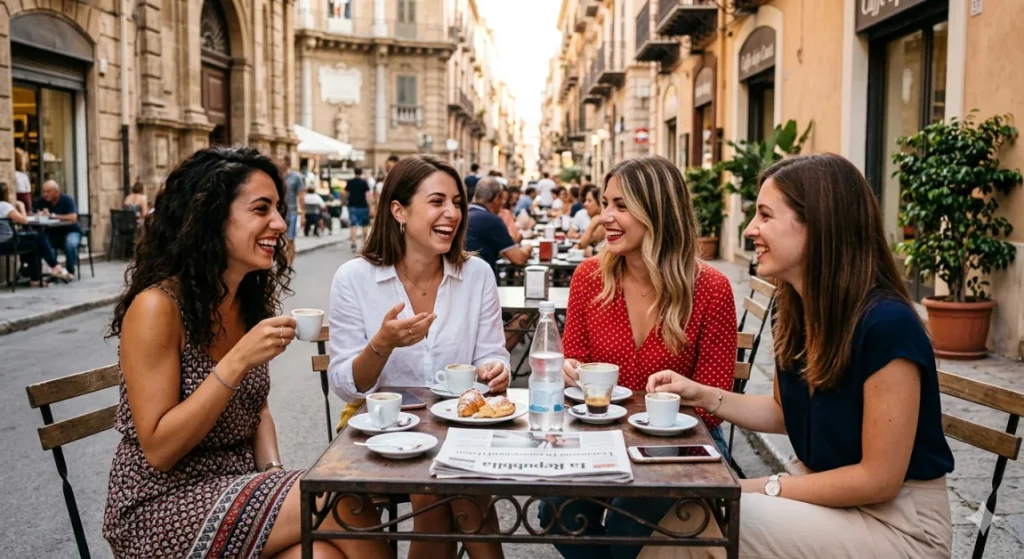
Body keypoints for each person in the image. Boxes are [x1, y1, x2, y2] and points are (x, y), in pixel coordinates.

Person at [639, 154, 955, 559]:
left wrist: (760, 486)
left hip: (899, 526)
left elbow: (879, 480)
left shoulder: (887, 325)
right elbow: (783, 412)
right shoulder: (798, 311)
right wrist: (700, 394)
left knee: (705, 517)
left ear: (819, 226)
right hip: (830, 505)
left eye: (766, 216)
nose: (751, 229)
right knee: (696, 514)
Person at [102, 146, 388, 559]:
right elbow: (159, 450)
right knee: (342, 501)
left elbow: (257, 410)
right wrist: (236, 361)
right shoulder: (156, 307)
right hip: (160, 507)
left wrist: (272, 475)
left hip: (234, 491)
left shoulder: (242, 301)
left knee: (323, 555)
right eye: (261, 209)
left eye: (278, 208)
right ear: (212, 217)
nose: (279, 223)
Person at [542, 156, 737, 559]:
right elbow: (574, 356)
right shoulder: (589, 277)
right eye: (605, 203)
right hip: (598, 437)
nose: (605, 217)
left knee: (632, 518)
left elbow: (715, 402)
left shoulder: (711, 289)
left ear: (659, 211)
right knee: (554, 511)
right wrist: (569, 370)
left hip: (681, 442)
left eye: (621, 205)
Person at [328, 154, 509, 559]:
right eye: (438, 201)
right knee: (445, 483)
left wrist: (496, 369)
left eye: (458, 203)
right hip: (377, 427)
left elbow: (494, 353)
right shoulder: (354, 278)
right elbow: (345, 385)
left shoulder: (476, 275)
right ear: (399, 211)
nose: (453, 213)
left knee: (447, 477)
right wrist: (382, 344)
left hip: (459, 422)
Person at [0, 182, 71, 283]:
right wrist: (22, 206)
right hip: (8, 243)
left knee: (37, 238)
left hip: (3, 242)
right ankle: (52, 268)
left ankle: (39, 275)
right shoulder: (4, 206)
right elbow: (24, 220)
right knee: (38, 241)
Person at [465, 178, 531, 272]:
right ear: (497, 198)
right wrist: (528, 248)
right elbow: (519, 259)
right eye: (502, 199)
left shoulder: (462, 214)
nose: (502, 204)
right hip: (481, 280)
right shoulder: (492, 220)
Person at [34, 180, 82, 277]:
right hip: (53, 232)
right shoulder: (41, 201)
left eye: (48, 191)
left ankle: (70, 270)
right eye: (44, 191)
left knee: (70, 244)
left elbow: (73, 217)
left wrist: (52, 216)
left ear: (56, 191)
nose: (45, 194)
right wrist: (39, 215)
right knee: (41, 242)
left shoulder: (67, 200)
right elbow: (33, 214)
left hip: (71, 230)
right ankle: (55, 268)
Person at [282, 156, 305, 264]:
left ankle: (289, 265)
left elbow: (301, 195)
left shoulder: (296, 177)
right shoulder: (275, 176)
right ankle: (282, 263)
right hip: (279, 212)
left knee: (290, 239)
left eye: (280, 160)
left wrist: (303, 214)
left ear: (287, 162)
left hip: (292, 211)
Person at [572, 186, 606, 255]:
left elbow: (583, 245)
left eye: (589, 201)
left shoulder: (602, 224)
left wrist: (591, 226)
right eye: (585, 200)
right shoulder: (596, 220)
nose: (585, 204)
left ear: (600, 204)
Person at [345, 167, 373, 248]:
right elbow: (368, 195)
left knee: (353, 224)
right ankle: (364, 244)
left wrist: (345, 201)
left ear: (354, 172)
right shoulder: (364, 182)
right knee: (364, 224)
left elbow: (346, 193)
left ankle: (353, 243)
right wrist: (371, 206)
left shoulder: (350, 182)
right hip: (363, 206)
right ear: (361, 173)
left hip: (352, 205)